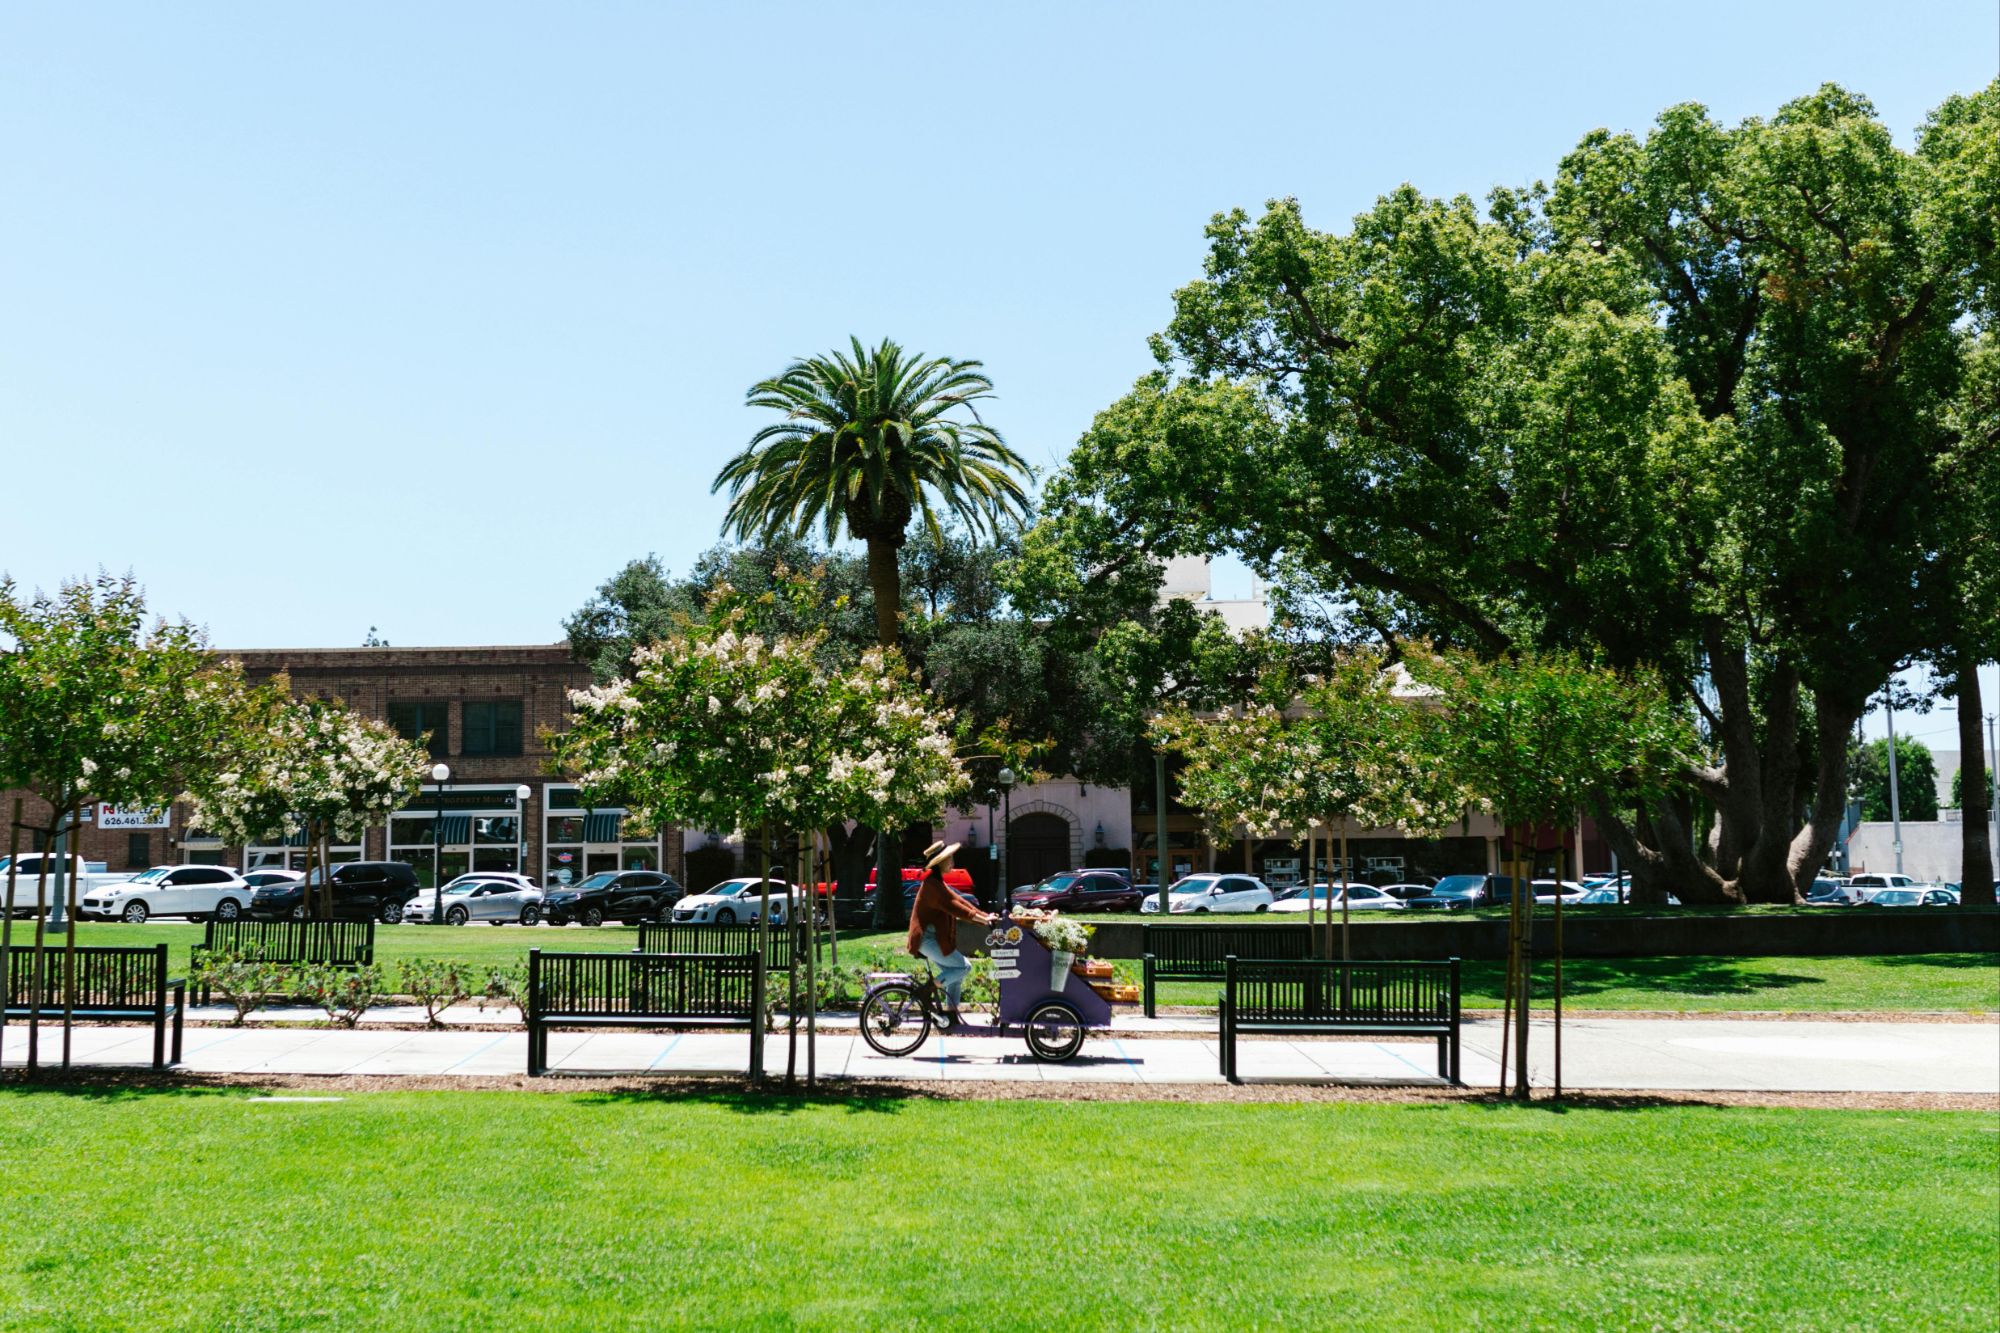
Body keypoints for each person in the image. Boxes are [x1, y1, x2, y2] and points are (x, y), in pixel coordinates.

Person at [906, 842, 996, 1025]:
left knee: (954, 974)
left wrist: (986, 916)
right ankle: (926, 991)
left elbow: (960, 901)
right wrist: (982, 921)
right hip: (926, 939)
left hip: (934, 939)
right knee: (964, 967)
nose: (953, 861)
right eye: (950, 859)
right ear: (940, 862)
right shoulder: (931, 885)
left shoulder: (938, 883)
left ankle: (951, 1016)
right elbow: (956, 909)